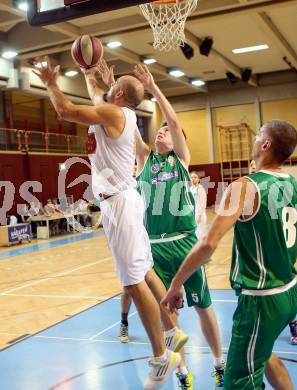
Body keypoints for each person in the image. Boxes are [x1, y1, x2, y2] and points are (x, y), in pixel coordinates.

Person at [34, 56, 187, 389]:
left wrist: (50, 83)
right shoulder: (126, 113)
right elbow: (96, 97)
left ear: (116, 92)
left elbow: (66, 111)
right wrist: (91, 74)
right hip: (127, 200)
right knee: (145, 272)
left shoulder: (113, 113)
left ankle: (161, 356)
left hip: (118, 204)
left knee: (133, 282)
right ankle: (173, 332)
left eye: (112, 86)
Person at [163, 120, 297, 390]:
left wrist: (176, 283)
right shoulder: (294, 185)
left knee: (238, 382)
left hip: (261, 301)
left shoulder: (245, 186)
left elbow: (208, 244)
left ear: (266, 145)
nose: (254, 139)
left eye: (259, 135)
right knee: (265, 356)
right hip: (289, 293)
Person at [109, 63, 224, 389]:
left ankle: (218, 363)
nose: (160, 132)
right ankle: (182, 372)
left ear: (176, 142)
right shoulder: (144, 160)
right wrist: (111, 88)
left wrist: (154, 88)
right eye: (157, 130)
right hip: (153, 247)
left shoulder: (181, 160)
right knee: (167, 317)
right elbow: (127, 127)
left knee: (203, 306)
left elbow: (173, 121)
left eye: (166, 132)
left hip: (184, 244)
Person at [249, 159, 297, 346]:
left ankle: (292, 323)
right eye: (251, 165)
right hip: (258, 263)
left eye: (256, 164)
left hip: (278, 257)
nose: (253, 167)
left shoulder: (274, 190)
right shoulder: (252, 192)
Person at [190, 171, 207, 239]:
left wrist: (199, 215)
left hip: (200, 215)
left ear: (198, 179)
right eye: (191, 177)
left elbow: (203, 203)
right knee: (195, 234)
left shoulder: (200, 189)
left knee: (200, 235)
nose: (193, 179)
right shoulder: (190, 189)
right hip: (193, 213)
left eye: (195, 177)